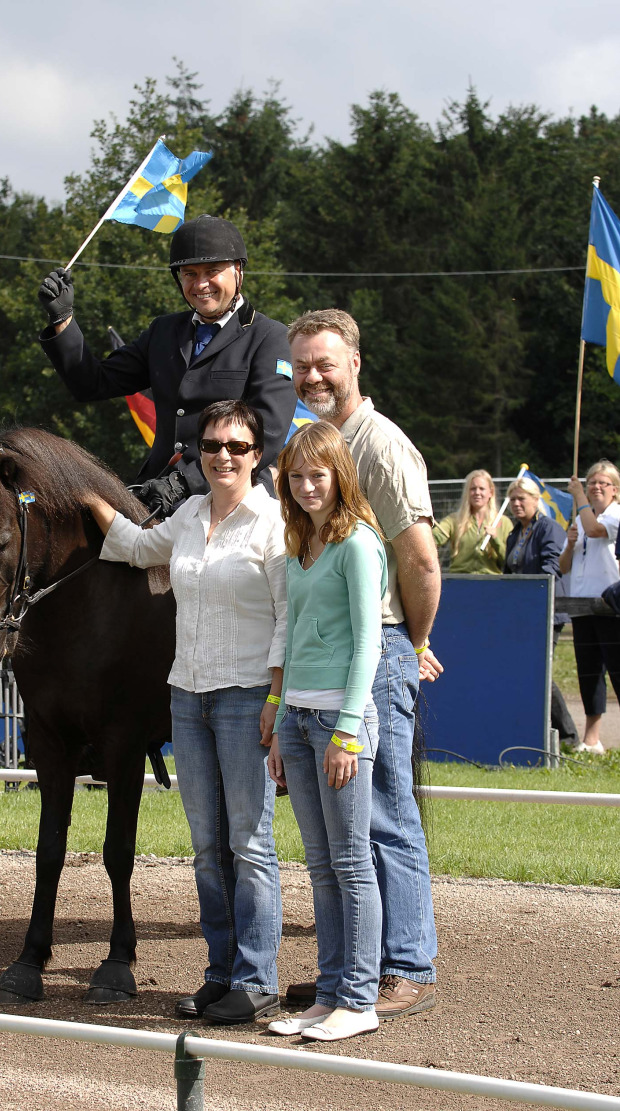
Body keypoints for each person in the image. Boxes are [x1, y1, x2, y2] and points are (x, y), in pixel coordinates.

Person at [84, 399, 284, 1025]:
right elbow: (138, 546)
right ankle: (220, 973)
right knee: (206, 846)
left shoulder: (276, 524)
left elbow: (289, 622)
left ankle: (257, 977)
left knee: (249, 843)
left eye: (237, 447)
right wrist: (86, 495)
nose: (223, 456)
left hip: (248, 696)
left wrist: (276, 701)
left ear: (256, 455)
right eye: (212, 445)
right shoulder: (190, 512)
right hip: (187, 698)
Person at [285, 308, 440, 1020]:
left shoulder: (380, 446)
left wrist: (414, 640)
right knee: (352, 829)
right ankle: (361, 968)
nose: (312, 375)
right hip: (336, 661)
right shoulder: (321, 443)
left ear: (355, 363)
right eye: (302, 365)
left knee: (387, 815)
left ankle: (405, 964)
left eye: (325, 362)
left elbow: (420, 561)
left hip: (377, 652)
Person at [37, 215, 296, 516]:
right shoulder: (163, 331)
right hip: (154, 494)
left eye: (212, 271)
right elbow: (92, 383)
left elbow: (268, 432)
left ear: (238, 270)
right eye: (189, 274)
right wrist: (62, 320)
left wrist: (185, 482)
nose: (200, 284)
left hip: (232, 498)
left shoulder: (271, 337)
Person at [266, 421, 386, 1043]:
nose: (308, 486)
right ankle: (331, 991)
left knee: (351, 862)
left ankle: (359, 997)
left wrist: (346, 732)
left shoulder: (359, 544)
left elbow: (369, 643)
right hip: (300, 721)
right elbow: (291, 635)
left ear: (340, 474)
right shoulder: (299, 543)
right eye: (297, 476)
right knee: (319, 865)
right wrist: (283, 715)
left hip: (342, 720)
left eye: (318, 474)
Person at [503, 476, 578, 749]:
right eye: (512, 499)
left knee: (541, 673)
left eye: (522, 498)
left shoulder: (548, 528)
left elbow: (553, 566)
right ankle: (533, 732)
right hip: (521, 614)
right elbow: (508, 573)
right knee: (526, 671)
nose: (516, 503)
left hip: (546, 612)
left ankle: (569, 737)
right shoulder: (514, 533)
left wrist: (530, 592)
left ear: (537, 500)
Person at [559, 461, 620, 754]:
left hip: (611, 606)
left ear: (615, 490)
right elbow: (563, 565)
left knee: (617, 670)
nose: (595, 487)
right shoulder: (579, 519)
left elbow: (595, 531)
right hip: (582, 605)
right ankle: (592, 739)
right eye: (591, 482)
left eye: (602, 483)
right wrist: (569, 545)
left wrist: (578, 494)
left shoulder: (616, 514)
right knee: (589, 673)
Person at [432, 470, 512, 574]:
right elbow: (434, 538)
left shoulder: (504, 522)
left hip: (492, 583)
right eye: (473, 489)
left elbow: (509, 562)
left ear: (490, 492)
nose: (477, 492)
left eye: (482, 489)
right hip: (460, 582)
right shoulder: (453, 520)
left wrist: (495, 540)